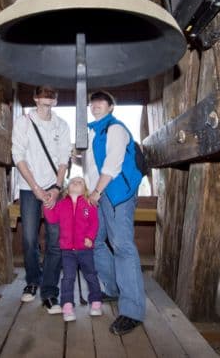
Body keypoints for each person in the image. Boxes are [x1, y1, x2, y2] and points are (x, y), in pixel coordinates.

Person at [84, 90, 146, 335]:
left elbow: (113, 163)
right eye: (92, 102)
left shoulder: (115, 128)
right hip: (98, 194)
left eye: (101, 101)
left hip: (118, 193)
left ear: (110, 107)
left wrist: (96, 192)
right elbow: (92, 166)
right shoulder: (91, 132)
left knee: (122, 245)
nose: (95, 105)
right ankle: (113, 288)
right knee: (96, 241)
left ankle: (132, 311)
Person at [12, 85, 71, 314]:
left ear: (56, 100)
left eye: (52, 95)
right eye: (43, 94)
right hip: (29, 188)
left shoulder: (62, 125)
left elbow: (64, 158)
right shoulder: (24, 122)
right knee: (28, 238)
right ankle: (33, 280)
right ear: (35, 98)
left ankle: (49, 291)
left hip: (54, 188)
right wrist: (36, 188)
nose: (48, 98)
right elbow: (18, 156)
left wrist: (56, 187)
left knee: (55, 240)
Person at [43, 177, 103, 322]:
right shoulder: (61, 204)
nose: (76, 183)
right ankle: (67, 305)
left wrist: (90, 237)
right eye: (72, 182)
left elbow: (94, 223)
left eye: (80, 182)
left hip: (85, 249)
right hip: (67, 250)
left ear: (85, 189)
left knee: (91, 275)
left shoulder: (90, 204)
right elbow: (51, 218)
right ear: (67, 189)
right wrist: (46, 204)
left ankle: (95, 302)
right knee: (68, 278)